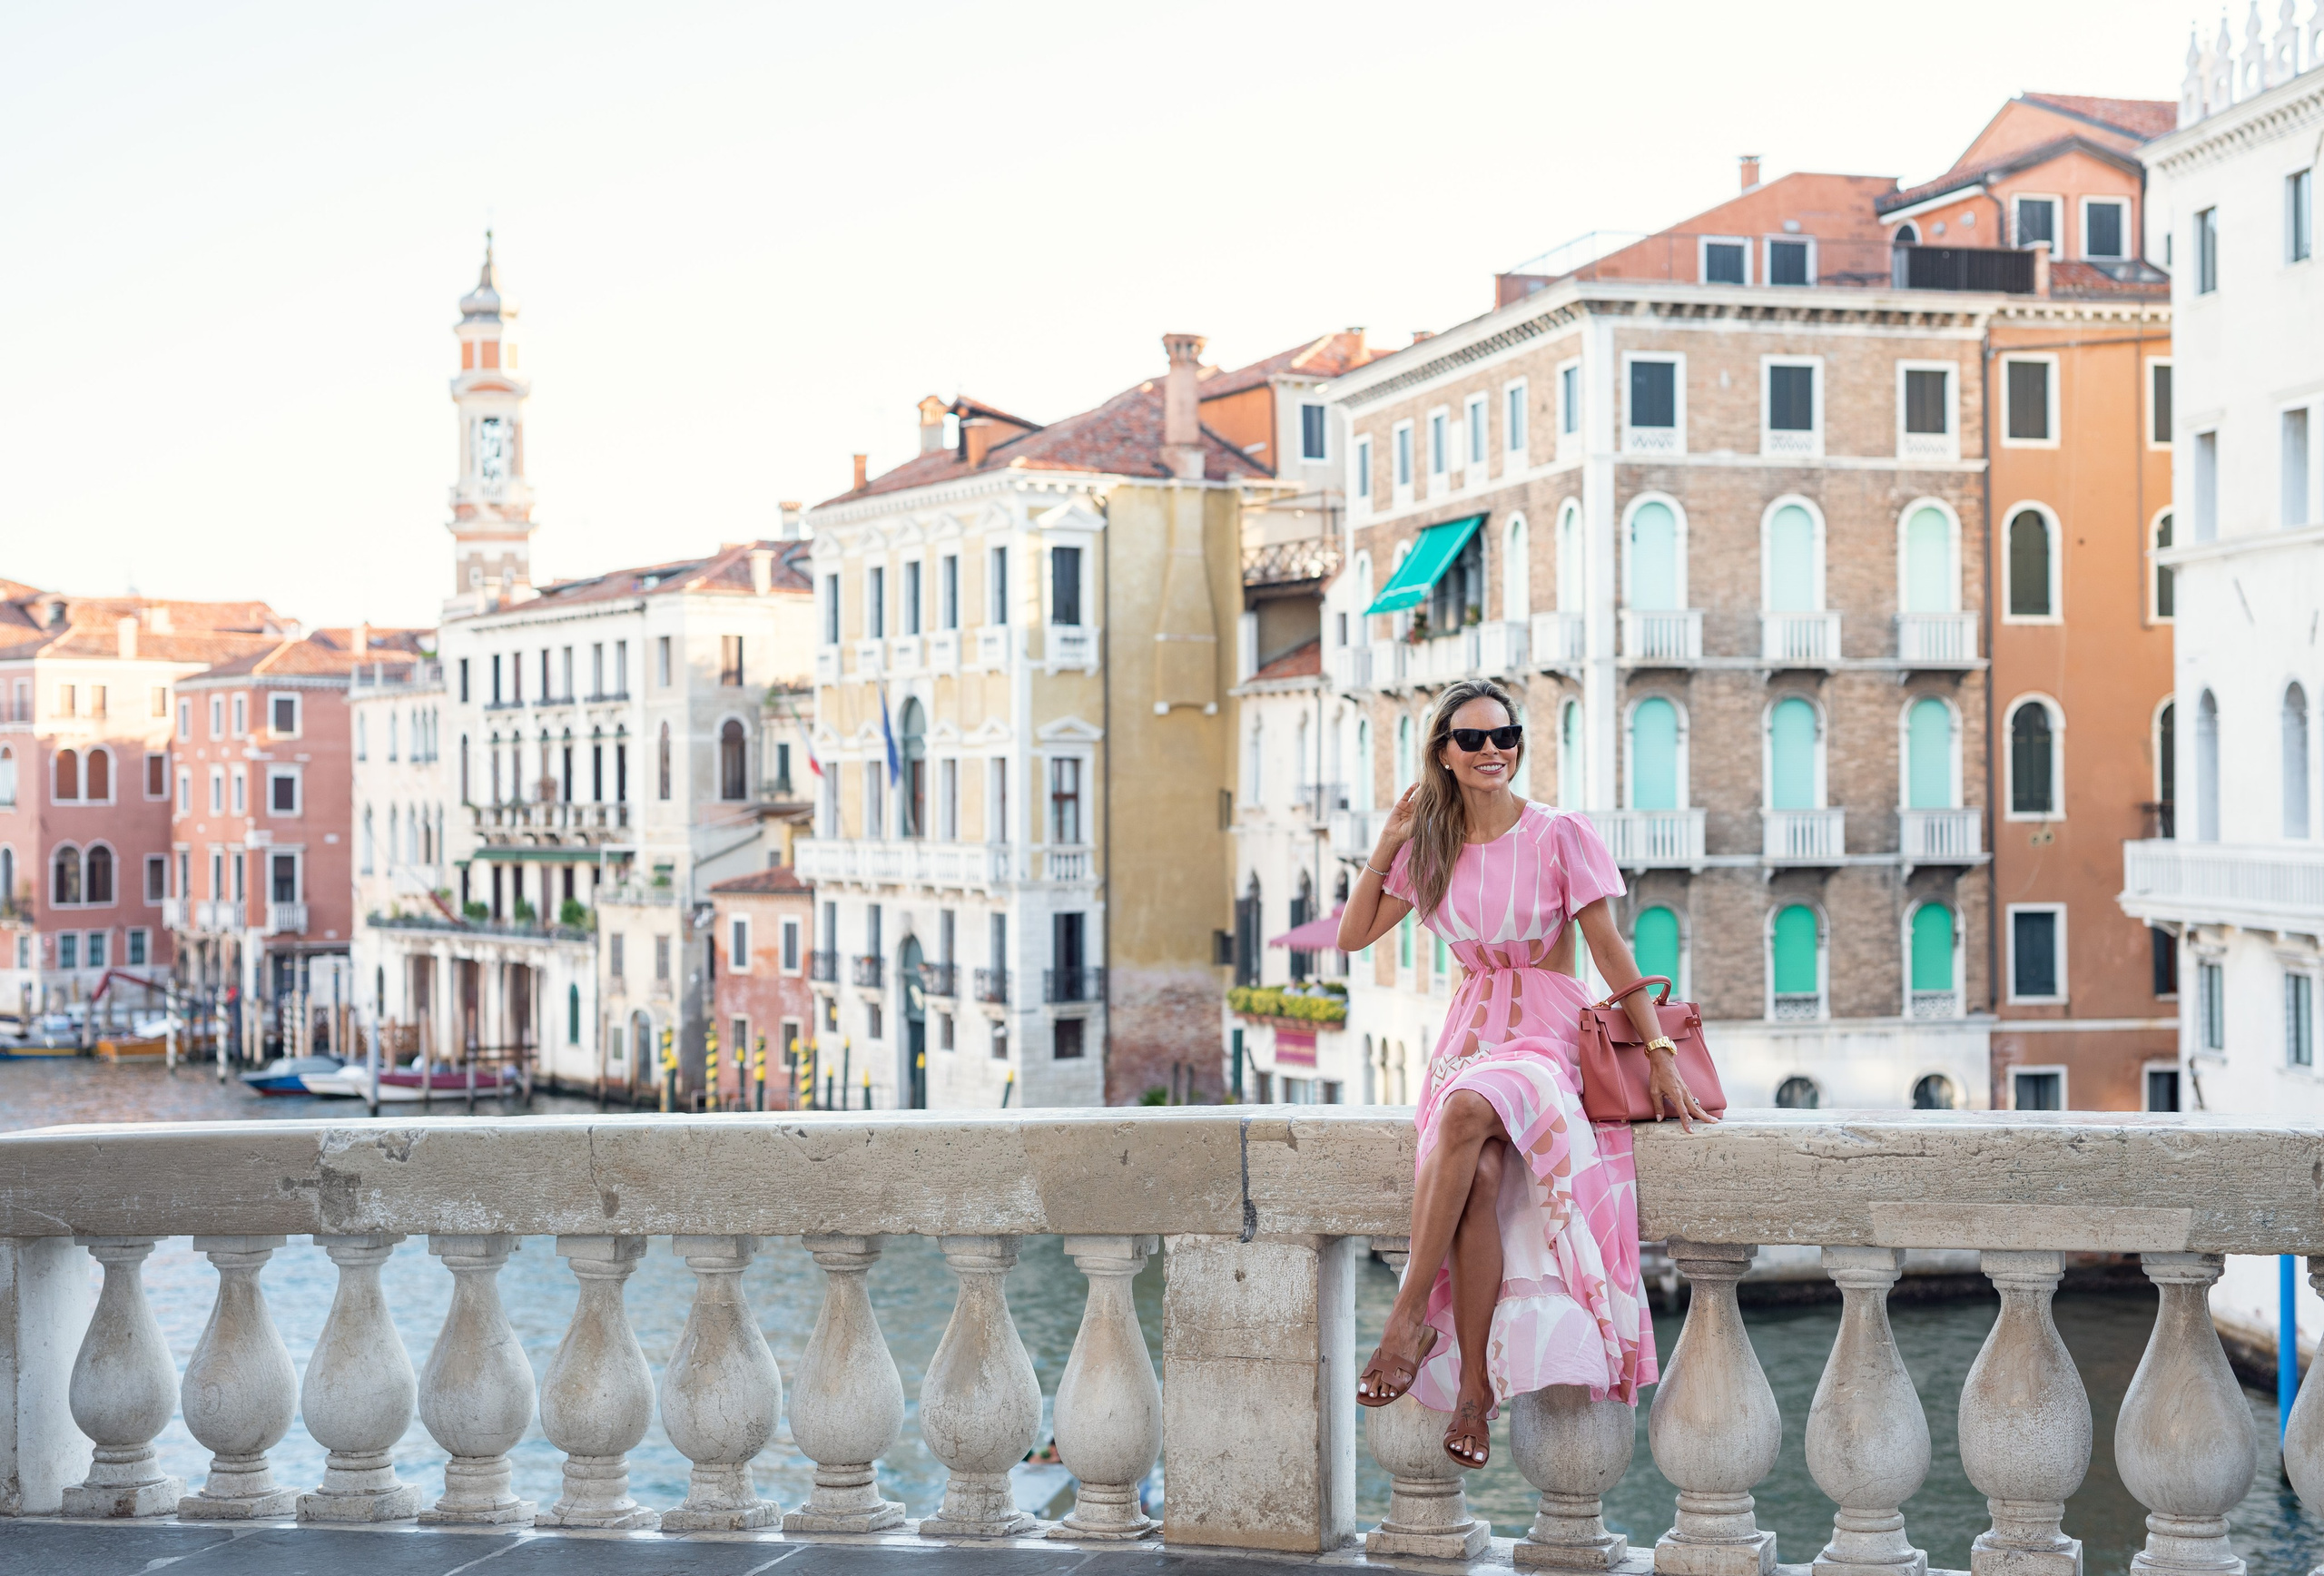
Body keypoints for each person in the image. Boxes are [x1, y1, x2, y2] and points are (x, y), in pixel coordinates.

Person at [1337, 676, 1715, 1469]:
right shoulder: (1431, 848)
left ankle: (1408, 1315)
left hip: (1546, 1037)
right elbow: (1352, 935)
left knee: (1470, 1108)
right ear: (1442, 753)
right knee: (1475, 1176)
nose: (1491, 752)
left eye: (1504, 737)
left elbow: (1611, 950)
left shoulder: (1558, 834)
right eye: (1471, 739)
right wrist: (1389, 839)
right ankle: (1474, 1388)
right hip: (1468, 1032)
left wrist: (1659, 1052)